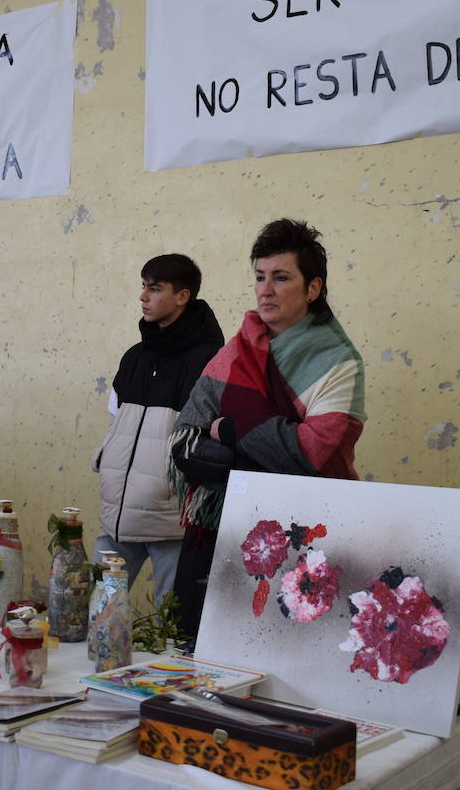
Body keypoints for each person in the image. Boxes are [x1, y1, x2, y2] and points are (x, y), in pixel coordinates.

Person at [169, 218, 366, 638]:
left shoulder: (338, 362)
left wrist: (233, 433)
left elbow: (313, 456)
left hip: (302, 537)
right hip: (218, 527)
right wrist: (262, 451)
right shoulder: (237, 347)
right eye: (260, 277)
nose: (266, 289)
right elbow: (185, 437)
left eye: (281, 277)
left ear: (313, 288)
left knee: (280, 652)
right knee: (192, 644)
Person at [93, 254, 223, 606]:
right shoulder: (134, 356)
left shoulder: (211, 360)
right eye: (143, 287)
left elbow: (214, 438)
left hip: (173, 524)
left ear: (182, 296)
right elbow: (115, 423)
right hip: (118, 517)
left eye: (155, 288)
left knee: (173, 634)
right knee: (95, 616)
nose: (143, 297)